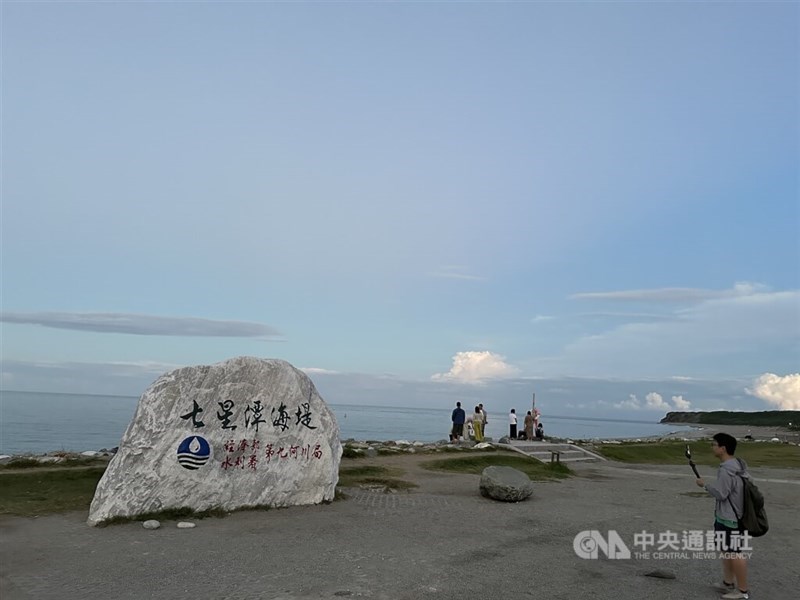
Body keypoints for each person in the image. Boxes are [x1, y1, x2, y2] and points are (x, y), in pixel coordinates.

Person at [695, 433, 751, 600]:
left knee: (734, 552)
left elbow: (721, 493)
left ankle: (742, 591)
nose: (712, 447)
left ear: (723, 448)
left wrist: (704, 485)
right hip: (726, 516)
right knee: (726, 550)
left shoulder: (727, 470)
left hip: (731, 518)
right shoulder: (737, 465)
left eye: (714, 444)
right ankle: (727, 583)